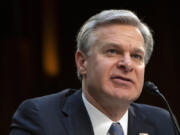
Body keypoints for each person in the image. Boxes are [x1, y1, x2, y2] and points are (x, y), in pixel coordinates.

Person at [9, 9, 178, 135]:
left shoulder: (162, 123)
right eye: (112, 51)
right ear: (82, 62)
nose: (127, 64)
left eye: (136, 56)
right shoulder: (41, 118)